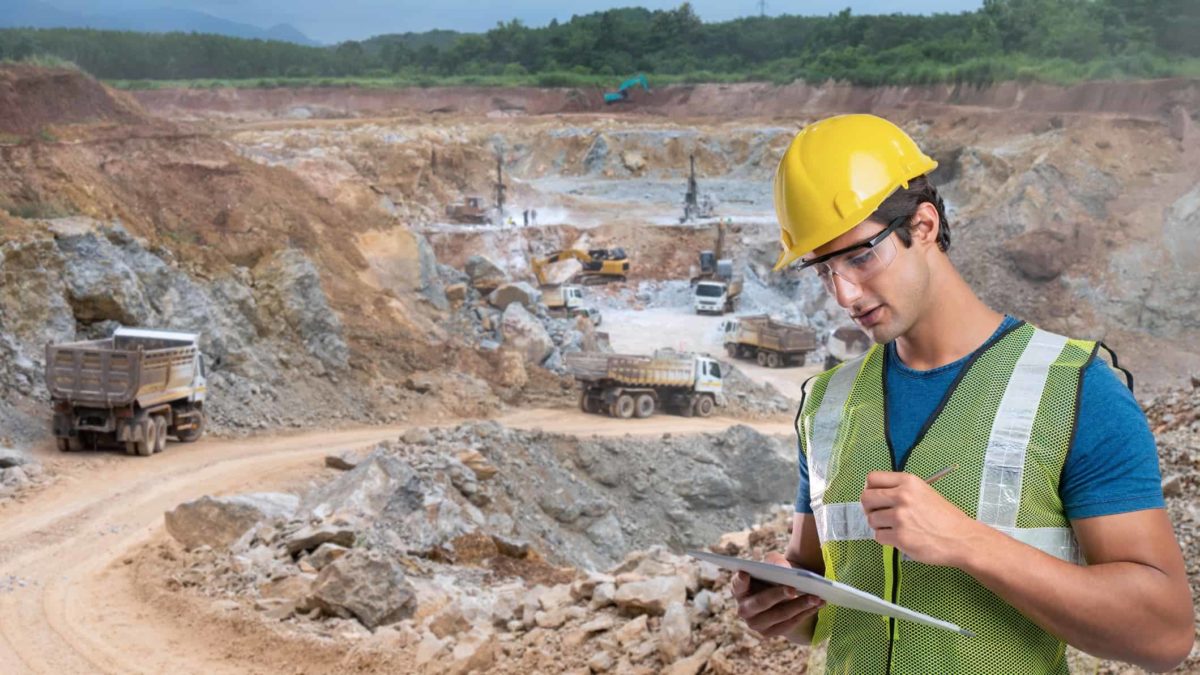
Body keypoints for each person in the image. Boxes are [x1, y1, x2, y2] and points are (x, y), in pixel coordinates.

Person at [734, 114, 1192, 673]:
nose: (845, 294)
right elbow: (824, 601)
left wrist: (965, 541)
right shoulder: (826, 405)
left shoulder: (1074, 389)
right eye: (824, 270)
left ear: (923, 225)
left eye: (859, 256)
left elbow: (1164, 636)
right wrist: (783, 609)